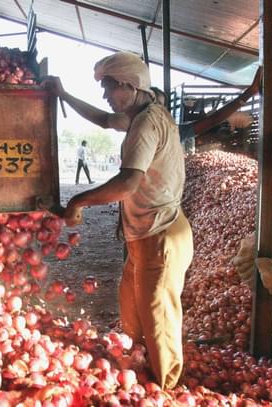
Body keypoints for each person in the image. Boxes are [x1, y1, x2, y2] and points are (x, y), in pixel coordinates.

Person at [44, 52, 193, 390]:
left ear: (131, 85)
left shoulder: (146, 123)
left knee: (159, 319)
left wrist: (79, 200)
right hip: (145, 235)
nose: (105, 96)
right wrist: (64, 95)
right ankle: (139, 369)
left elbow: (128, 183)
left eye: (109, 88)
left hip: (162, 235)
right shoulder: (142, 111)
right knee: (133, 311)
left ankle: (165, 390)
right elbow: (102, 119)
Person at [151, 66, 262, 154]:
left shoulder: (174, 132)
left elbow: (213, 120)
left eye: (159, 105)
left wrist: (249, 92)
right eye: (151, 103)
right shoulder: (136, 134)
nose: (153, 109)